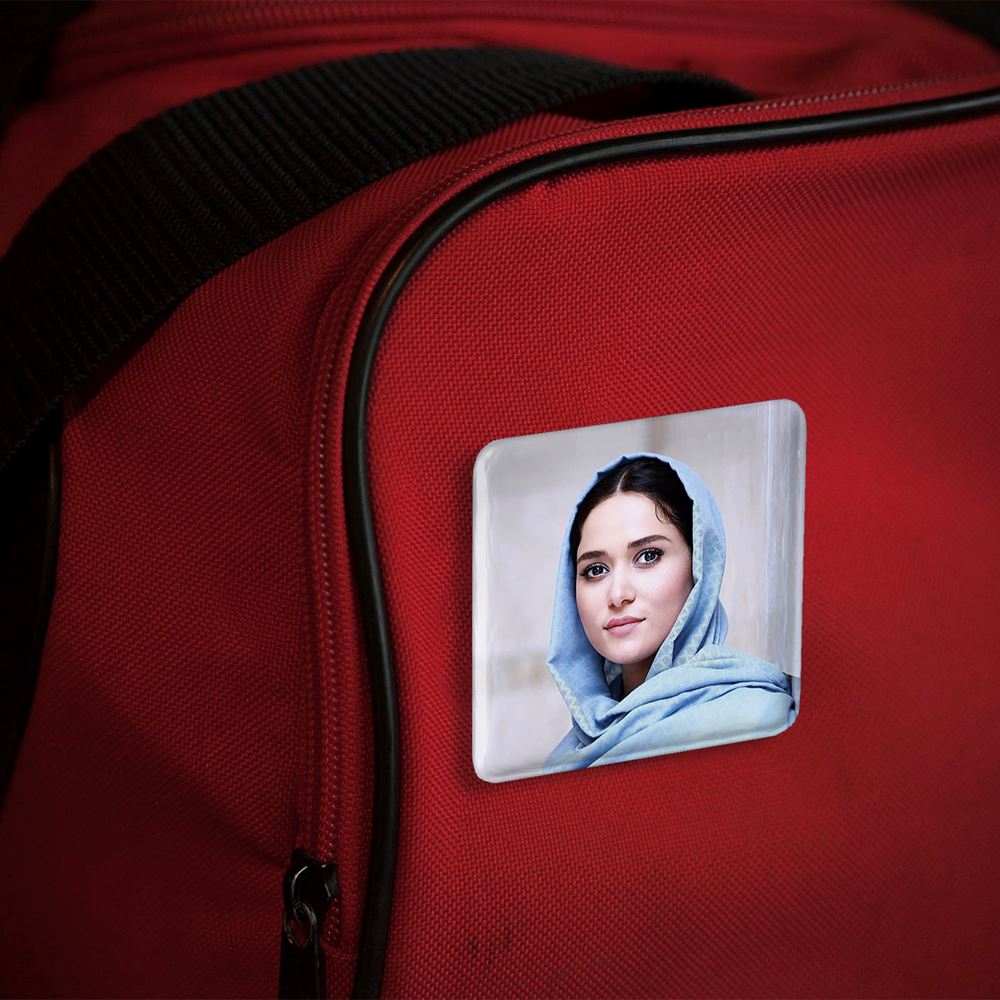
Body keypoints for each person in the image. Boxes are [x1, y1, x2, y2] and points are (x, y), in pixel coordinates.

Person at [544, 453, 797, 773]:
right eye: (595, 569)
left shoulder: (762, 720)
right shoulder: (567, 757)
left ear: (699, 565)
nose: (618, 595)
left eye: (648, 556)